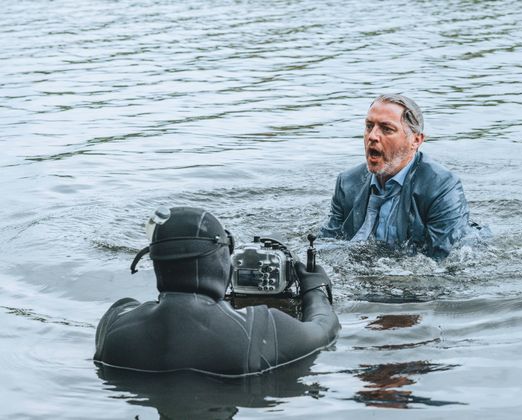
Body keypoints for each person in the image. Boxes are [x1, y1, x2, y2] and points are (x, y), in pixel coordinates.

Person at [94, 206, 340, 376]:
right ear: (221, 262)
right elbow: (324, 329)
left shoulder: (113, 327)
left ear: (156, 261)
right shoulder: (260, 329)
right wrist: (315, 287)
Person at [320, 94, 471, 259]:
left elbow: (444, 260)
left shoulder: (441, 187)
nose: (372, 136)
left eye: (386, 129)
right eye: (369, 126)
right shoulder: (347, 183)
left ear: (416, 140)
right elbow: (328, 242)